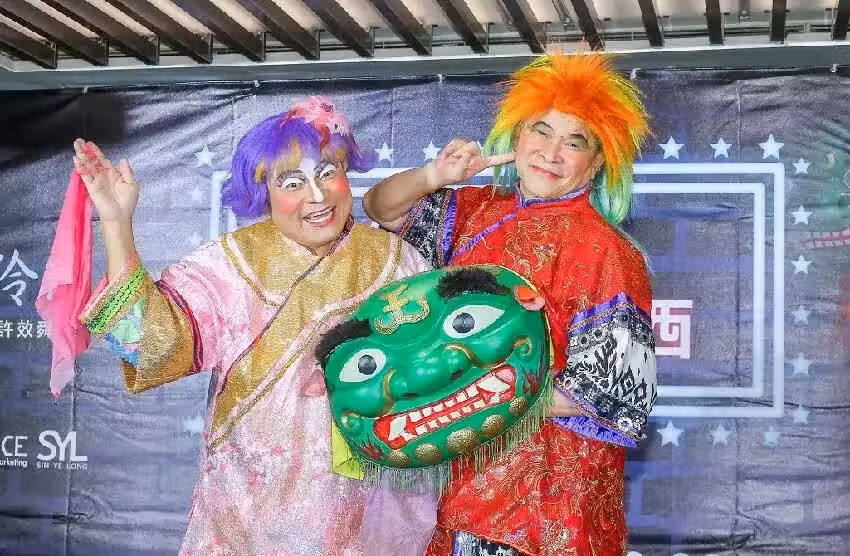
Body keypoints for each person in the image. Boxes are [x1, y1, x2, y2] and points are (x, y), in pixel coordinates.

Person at [72, 97, 431, 555]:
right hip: (249, 515)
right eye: (292, 182)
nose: (317, 196)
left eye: (327, 172)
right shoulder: (229, 264)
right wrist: (116, 222)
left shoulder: (397, 263)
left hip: (368, 517)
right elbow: (149, 341)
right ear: (264, 192)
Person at [364, 52, 658, 555]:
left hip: (548, 502)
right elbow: (382, 208)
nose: (551, 152)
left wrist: (467, 399)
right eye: (541, 131)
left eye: (575, 141)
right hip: (454, 491)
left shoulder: (607, 252)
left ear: (596, 162)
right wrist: (436, 174)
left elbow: (613, 394)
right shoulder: (474, 211)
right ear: (517, 136)